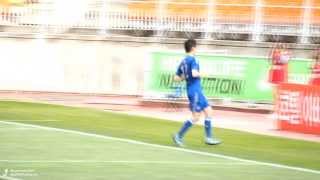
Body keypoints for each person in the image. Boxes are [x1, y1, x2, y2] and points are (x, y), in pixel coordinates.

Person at [172, 39, 221, 147]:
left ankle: (209, 138)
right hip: (195, 91)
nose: (196, 49)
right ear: (193, 48)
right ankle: (178, 135)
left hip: (195, 90)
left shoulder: (183, 61)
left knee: (209, 111)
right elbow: (194, 73)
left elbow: (176, 77)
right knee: (196, 117)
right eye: (196, 47)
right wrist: (203, 74)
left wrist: (185, 77)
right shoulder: (194, 59)